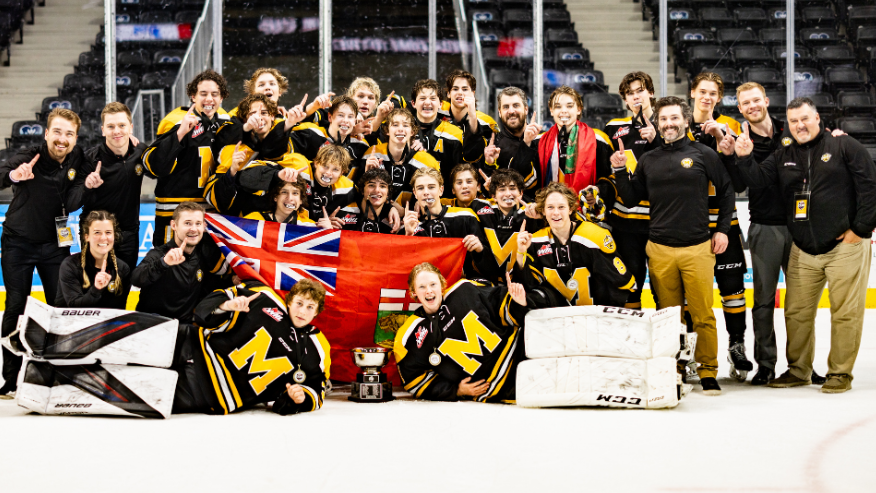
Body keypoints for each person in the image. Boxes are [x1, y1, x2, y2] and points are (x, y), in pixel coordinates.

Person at [734, 97, 876, 394]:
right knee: (796, 312)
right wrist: (746, 158)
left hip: (845, 247)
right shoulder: (783, 153)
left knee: (845, 312)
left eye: (805, 119)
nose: (800, 125)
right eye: (794, 121)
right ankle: (799, 370)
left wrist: (859, 230)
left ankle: (840, 373)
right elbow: (758, 182)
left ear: (817, 118)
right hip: (803, 248)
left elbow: (870, 187)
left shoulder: (844, 146)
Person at [613, 96, 734, 396]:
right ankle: (673, 368)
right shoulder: (648, 160)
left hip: (698, 248)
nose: (668, 123)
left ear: (685, 120)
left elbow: (728, 190)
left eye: (674, 118)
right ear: (657, 123)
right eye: (663, 119)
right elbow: (630, 198)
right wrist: (618, 170)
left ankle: (708, 371)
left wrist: (722, 230)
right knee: (668, 317)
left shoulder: (704, 154)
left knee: (704, 314)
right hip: (659, 249)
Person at [731, 82, 823, 386]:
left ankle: (802, 366)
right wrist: (740, 157)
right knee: (764, 302)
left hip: (800, 228)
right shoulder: (740, 140)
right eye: (745, 103)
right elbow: (745, 183)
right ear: (740, 108)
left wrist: (835, 136)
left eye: (756, 100)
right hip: (764, 228)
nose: (752, 106)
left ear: (766, 101)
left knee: (802, 302)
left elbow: (819, 146)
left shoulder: (792, 128)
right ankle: (766, 365)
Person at [0, 107, 87, 397]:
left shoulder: (77, 157)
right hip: (18, 243)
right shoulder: (30, 157)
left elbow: (105, 153)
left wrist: (130, 141)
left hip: (55, 244)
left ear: (75, 138)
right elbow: (1, 173)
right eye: (57, 132)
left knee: (60, 308)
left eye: (69, 134)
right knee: (15, 307)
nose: (62, 139)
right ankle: (10, 380)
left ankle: (59, 372)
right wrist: (15, 174)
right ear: (47, 133)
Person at [175, 279, 330, 415]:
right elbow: (207, 307)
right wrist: (227, 305)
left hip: (209, 389)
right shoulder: (265, 298)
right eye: (299, 303)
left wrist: (301, 398)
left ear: (317, 311)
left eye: (310, 307)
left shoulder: (318, 346)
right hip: (191, 342)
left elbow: (317, 390)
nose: (302, 311)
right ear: (289, 301)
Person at [393, 262, 537, 403]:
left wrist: (519, 303)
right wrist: (455, 391)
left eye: (433, 284)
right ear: (413, 292)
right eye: (422, 287)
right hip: (495, 388)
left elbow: (500, 305)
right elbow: (414, 380)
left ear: (442, 285)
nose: (428, 291)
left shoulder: (465, 290)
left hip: (521, 353)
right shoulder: (409, 336)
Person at [687, 72, 752, 382]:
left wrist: (722, 147)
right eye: (702, 91)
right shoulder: (677, 125)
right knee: (691, 295)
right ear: (692, 93)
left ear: (719, 97)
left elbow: (738, 184)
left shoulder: (732, 127)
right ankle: (689, 350)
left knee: (732, 290)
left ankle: (736, 345)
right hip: (690, 225)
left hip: (725, 223)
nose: (707, 97)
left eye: (713, 92)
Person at [143, 69, 230, 246]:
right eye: (203, 94)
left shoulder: (227, 126)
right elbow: (152, 167)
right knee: (170, 268)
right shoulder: (177, 121)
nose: (209, 99)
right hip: (174, 213)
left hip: (211, 216)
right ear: (192, 96)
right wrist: (180, 134)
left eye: (214, 94)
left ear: (221, 98)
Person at [515, 182, 636, 308]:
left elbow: (622, 284)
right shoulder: (536, 240)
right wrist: (521, 252)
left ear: (571, 209)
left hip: (596, 318)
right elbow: (529, 285)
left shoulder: (592, 236)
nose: (556, 213)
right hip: (558, 320)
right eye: (550, 207)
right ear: (543, 211)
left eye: (561, 207)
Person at [602, 72, 659, 310]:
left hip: (660, 222)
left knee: (663, 287)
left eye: (640, 91)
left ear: (651, 93)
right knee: (630, 285)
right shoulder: (613, 127)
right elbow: (606, 173)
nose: (635, 97)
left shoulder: (667, 122)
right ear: (625, 99)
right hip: (625, 223)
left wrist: (657, 140)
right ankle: (631, 342)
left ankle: (671, 341)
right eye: (630, 93)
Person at [132, 202, 230, 324]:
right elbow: (136, 278)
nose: (193, 229)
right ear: (174, 225)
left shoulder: (202, 258)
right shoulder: (159, 254)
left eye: (198, 224)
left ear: (204, 226)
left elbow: (211, 290)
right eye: (187, 223)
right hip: (153, 328)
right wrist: (164, 263)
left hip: (184, 329)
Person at [205, 94, 301, 216]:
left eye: (264, 113)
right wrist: (232, 171)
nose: (258, 117)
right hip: (243, 225)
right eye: (253, 114)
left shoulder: (291, 146)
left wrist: (288, 123)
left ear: (272, 116)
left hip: (280, 226)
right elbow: (218, 199)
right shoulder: (233, 151)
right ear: (245, 119)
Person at [80, 102, 147, 269]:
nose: (117, 131)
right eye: (111, 126)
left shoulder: (141, 151)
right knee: (95, 288)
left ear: (131, 127)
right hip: (96, 233)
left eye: (122, 125)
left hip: (129, 234)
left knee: (122, 289)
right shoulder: (90, 159)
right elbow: (73, 199)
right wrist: (87, 186)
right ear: (103, 130)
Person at [403, 167, 486, 278]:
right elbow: (406, 270)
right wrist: (408, 236)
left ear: (441, 190)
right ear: (415, 193)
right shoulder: (413, 227)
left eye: (431, 187)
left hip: (466, 287)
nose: (426, 192)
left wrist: (480, 249)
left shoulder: (466, 216)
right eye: (420, 188)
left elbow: (488, 268)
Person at [536, 86, 614, 196]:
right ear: (551, 111)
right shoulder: (539, 142)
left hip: (586, 210)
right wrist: (526, 143)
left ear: (579, 109)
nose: (564, 111)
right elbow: (532, 184)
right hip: (550, 210)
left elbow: (610, 180)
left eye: (569, 106)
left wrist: (597, 192)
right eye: (558, 107)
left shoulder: (599, 140)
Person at [410, 79, 479, 195]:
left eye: (433, 98)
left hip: (446, 201)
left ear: (441, 104)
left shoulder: (455, 134)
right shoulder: (402, 132)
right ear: (413, 103)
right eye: (422, 98)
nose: (427, 102)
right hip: (412, 200)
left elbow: (461, 172)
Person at [362, 107, 440, 206]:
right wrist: (367, 176)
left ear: (412, 132)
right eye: (395, 125)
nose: (400, 129)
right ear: (387, 130)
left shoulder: (426, 161)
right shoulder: (371, 154)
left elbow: (435, 198)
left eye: (405, 125)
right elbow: (361, 197)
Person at [56, 210, 132, 309]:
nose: (103, 238)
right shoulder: (70, 265)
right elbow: (73, 307)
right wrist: (96, 289)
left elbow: (118, 310)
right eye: (97, 233)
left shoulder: (122, 269)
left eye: (108, 232)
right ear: (86, 237)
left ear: (114, 236)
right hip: (72, 322)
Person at [476, 169, 538, 284]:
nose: (508, 193)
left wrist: (541, 213)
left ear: (521, 193)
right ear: (493, 196)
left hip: (523, 281)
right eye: (502, 189)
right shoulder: (483, 210)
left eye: (513, 188)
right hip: (490, 281)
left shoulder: (532, 215)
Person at [485, 87, 540, 197]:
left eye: (516, 105)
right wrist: (488, 164)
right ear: (499, 113)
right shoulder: (493, 145)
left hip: (543, 209)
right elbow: (488, 191)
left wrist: (527, 142)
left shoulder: (543, 139)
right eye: (506, 107)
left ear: (526, 109)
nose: (511, 111)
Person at [439, 69, 498, 169]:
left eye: (465, 89)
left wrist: (472, 116)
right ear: (448, 93)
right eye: (455, 89)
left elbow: (473, 155)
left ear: (473, 93)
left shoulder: (487, 123)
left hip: (473, 180)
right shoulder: (437, 116)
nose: (460, 93)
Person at [337, 168, 398, 233]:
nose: (377, 190)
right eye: (371, 185)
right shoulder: (343, 211)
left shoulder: (392, 222)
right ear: (362, 190)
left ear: (388, 193)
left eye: (382, 186)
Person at [243, 177, 316, 226]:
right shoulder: (253, 220)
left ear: (301, 200)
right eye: (284, 192)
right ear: (275, 197)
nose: (290, 198)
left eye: (295, 193)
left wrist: (327, 233)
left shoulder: (309, 226)